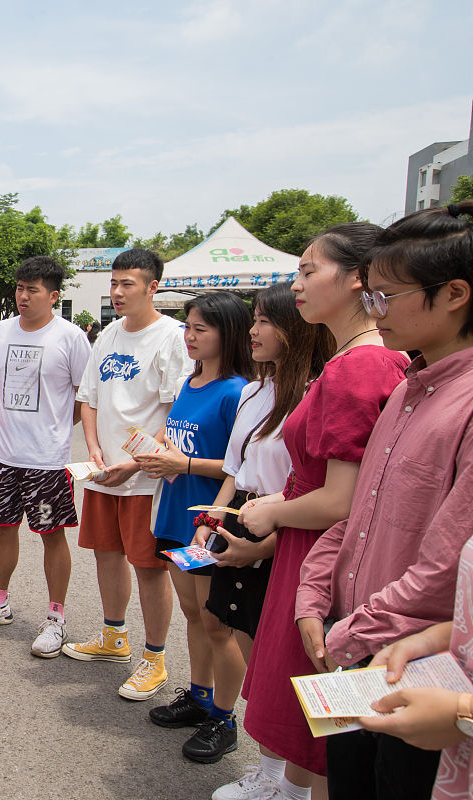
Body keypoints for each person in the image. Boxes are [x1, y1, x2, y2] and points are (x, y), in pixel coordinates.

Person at [294, 201, 473, 800]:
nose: (375, 312)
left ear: (454, 294)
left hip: (423, 672)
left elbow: (445, 567)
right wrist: (315, 595)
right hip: (360, 650)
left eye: (386, 296)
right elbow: (358, 516)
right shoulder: (407, 390)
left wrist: (349, 631)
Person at [228, 222, 408, 800]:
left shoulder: (360, 366)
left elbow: (343, 499)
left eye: (309, 271)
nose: (296, 285)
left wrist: (274, 512)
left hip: (322, 549)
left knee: (319, 705)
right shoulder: (354, 360)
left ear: (358, 279)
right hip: (311, 542)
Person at [182, 284, 330, 784]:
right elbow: (235, 470)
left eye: (264, 320)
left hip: (284, 530)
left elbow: (320, 492)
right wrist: (211, 521)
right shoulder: (252, 390)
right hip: (242, 521)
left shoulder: (315, 392)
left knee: (278, 660)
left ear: (294, 329)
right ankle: (267, 770)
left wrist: (263, 546)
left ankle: (285, 781)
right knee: (237, 636)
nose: (253, 330)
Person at [64, 248, 194, 702]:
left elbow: (181, 406)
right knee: (105, 553)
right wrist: (96, 450)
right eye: (114, 284)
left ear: (152, 287)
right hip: (104, 470)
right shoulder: (108, 335)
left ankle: (155, 658)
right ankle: (113, 637)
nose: (117, 293)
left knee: (149, 567)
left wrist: (136, 461)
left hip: (147, 475)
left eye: (128, 285)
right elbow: (90, 396)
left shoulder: (173, 337)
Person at [134, 292, 254, 758]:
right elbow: (176, 435)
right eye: (187, 326)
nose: (189, 335)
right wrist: (156, 449)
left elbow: (239, 464)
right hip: (174, 516)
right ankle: (200, 696)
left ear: (230, 333)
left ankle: (224, 719)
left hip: (209, 521)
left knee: (217, 623)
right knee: (192, 614)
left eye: (201, 328)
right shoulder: (190, 381)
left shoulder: (237, 391)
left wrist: (182, 464)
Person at [0, 256, 91, 657]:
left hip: (47, 460)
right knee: (2, 528)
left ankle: (56, 619)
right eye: (19, 287)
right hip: (2, 454)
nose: (23, 296)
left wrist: (54, 432)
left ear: (52, 295)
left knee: (51, 535)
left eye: (33, 289)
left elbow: (84, 399)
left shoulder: (69, 338)